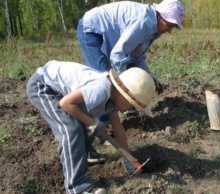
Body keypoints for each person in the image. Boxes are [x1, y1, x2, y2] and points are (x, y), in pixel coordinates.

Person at [77, 0, 185, 162]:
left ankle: (115, 116)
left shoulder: (153, 28)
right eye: (170, 25)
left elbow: (136, 56)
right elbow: (118, 55)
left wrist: (151, 75)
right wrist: (125, 87)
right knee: (104, 81)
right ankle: (105, 130)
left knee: (113, 85)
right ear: (162, 17)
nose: (169, 31)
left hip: (102, 33)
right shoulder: (145, 23)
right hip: (91, 30)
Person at [26, 60, 156, 194]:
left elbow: (118, 129)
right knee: (72, 129)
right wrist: (93, 123)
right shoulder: (100, 90)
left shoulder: (113, 98)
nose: (130, 109)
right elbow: (65, 103)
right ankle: (76, 187)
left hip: (62, 93)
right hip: (43, 87)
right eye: (132, 104)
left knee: (86, 122)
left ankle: (85, 154)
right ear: (124, 95)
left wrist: (128, 158)